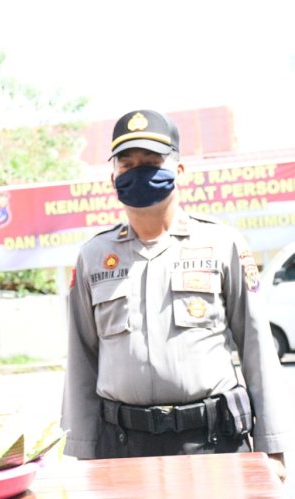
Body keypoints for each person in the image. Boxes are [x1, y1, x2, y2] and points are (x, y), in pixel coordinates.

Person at [60, 109, 292, 481]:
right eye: (128, 164)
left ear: (179, 171)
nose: (140, 172)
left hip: (213, 442)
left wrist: (274, 448)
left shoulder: (221, 244)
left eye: (152, 162)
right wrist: (83, 455)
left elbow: (257, 348)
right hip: (122, 446)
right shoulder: (92, 257)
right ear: (113, 176)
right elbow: (81, 360)